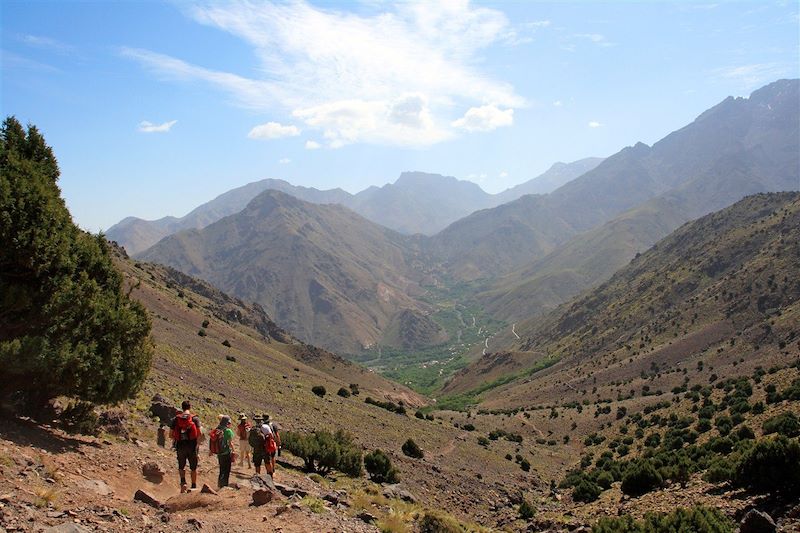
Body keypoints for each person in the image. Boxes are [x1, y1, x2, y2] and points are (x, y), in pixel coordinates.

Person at [170, 400, 201, 493]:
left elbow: (170, 434)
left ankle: (183, 483)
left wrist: (177, 438)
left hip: (180, 446)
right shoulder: (194, 419)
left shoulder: (176, 419)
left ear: (182, 407)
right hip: (192, 446)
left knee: (181, 466)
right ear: (190, 407)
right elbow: (199, 434)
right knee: (193, 468)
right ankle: (193, 486)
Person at [210, 414, 235, 488]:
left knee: (221, 469)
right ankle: (225, 486)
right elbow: (230, 443)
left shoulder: (217, 429)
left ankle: (219, 485)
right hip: (226, 453)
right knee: (227, 470)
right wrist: (233, 451)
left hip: (219, 453)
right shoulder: (228, 431)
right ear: (227, 423)